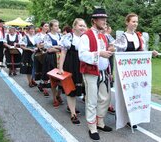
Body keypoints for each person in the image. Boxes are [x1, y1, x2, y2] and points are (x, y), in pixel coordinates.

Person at [114, 13, 158, 128]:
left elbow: (142, 52)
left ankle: (131, 118)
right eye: (133, 21)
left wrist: (151, 53)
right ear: (127, 22)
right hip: (124, 71)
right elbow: (116, 52)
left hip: (136, 71)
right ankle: (121, 116)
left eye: (137, 22)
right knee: (124, 94)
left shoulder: (139, 37)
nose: (135, 24)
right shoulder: (122, 37)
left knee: (135, 93)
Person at [78, 8, 114, 141]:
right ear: (94, 20)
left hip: (104, 71)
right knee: (92, 100)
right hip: (91, 72)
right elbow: (82, 55)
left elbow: (103, 52)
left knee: (105, 98)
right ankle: (92, 127)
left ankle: (100, 122)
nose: (104, 21)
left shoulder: (103, 35)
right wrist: (100, 53)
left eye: (105, 19)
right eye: (101, 19)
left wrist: (108, 50)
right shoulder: (86, 35)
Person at [59, 18, 87, 125]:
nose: (82, 27)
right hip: (71, 64)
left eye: (84, 25)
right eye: (80, 25)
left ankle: (71, 107)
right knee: (71, 90)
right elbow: (63, 53)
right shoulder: (68, 37)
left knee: (82, 88)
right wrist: (60, 68)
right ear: (74, 26)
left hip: (83, 64)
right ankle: (73, 113)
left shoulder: (86, 37)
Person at [43, 19, 63, 108]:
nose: (57, 27)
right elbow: (49, 49)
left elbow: (64, 47)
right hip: (52, 58)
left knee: (62, 78)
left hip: (61, 58)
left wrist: (55, 47)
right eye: (55, 26)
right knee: (53, 78)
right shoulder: (47, 36)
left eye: (58, 25)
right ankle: (54, 97)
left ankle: (59, 94)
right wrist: (59, 48)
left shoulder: (60, 35)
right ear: (51, 27)